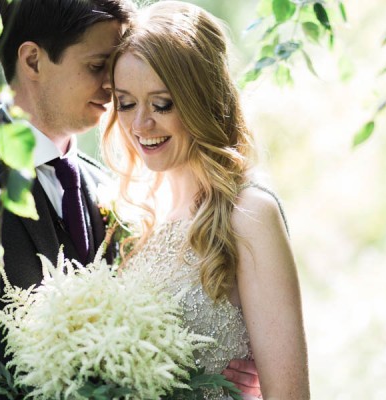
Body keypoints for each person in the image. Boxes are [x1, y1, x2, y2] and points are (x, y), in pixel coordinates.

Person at [0, 0, 259, 398]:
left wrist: (208, 378)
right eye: (97, 66)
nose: (112, 85)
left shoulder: (117, 193)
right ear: (33, 61)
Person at [101, 2, 310, 399]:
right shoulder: (136, 216)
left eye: (162, 104)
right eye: (126, 103)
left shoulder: (249, 215)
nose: (140, 124)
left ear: (200, 99)